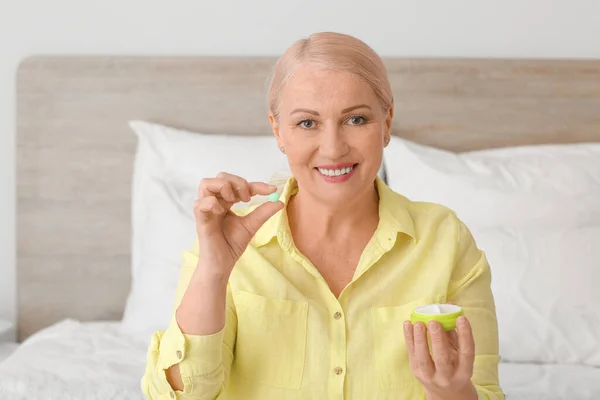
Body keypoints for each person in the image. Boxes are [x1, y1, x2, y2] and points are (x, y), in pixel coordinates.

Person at [141, 32, 504, 400]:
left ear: (387, 122)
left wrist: (452, 391)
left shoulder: (445, 240)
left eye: (356, 119)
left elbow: (485, 391)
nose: (333, 148)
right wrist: (213, 271)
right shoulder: (228, 245)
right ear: (278, 131)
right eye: (308, 123)